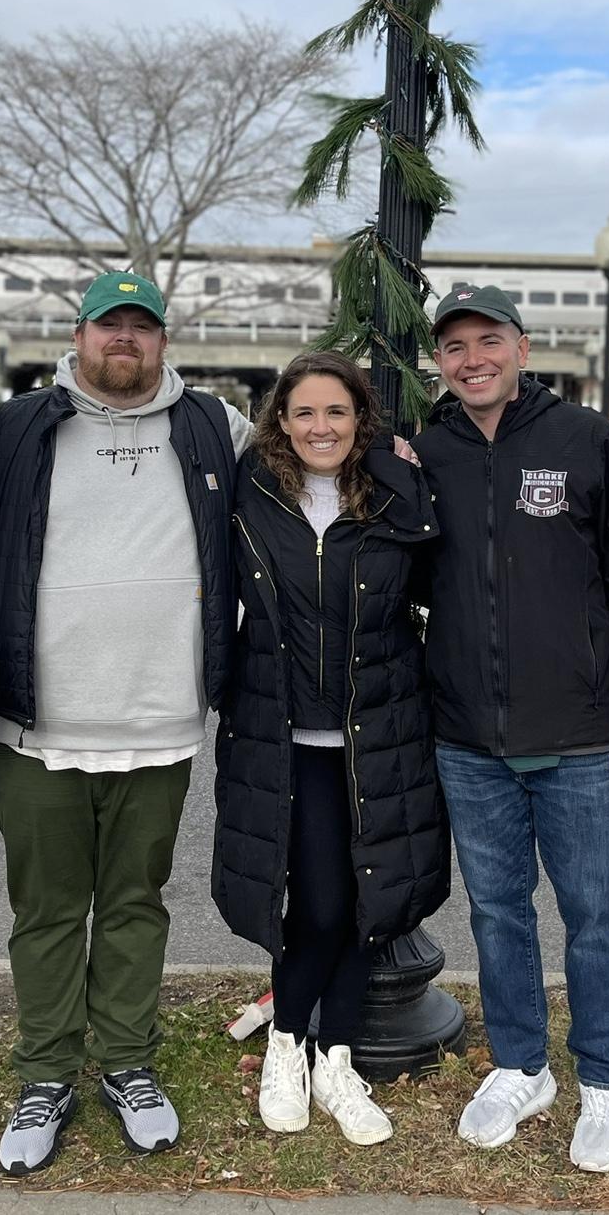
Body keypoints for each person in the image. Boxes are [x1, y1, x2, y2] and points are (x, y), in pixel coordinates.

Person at [0, 270, 250, 1175]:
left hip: (161, 722)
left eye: (141, 326)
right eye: (108, 326)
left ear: (164, 340)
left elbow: (313, 452)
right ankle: (47, 1072)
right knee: (48, 910)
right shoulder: (15, 429)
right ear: (80, 335)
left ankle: (126, 1062)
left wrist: (397, 452)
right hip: (38, 725)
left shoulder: (213, 427)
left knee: (134, 905)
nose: (123, 341)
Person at [412, 283, 609, 1171]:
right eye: (454, 347)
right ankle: (522, 1066)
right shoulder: (427, 452)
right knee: (496, 912)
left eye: (489, 341)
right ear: (438, 361)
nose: (472, 359)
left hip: (582, 739)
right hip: (468, 741)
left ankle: (604, 1080)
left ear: (522, 348)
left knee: (594, 915)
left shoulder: (584, 439)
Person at [212, 352, 448, 1147]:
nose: (322, 427)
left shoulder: (393, 494)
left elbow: (437, 586)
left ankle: (334, 1058)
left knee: (365, 901)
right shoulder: (250, 493)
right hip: (288, 738)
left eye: (337, 413)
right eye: (305, 412)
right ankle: (286, 1048)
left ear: (361, 420)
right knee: (318, 902)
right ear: (281, 419)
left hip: (379, 732)